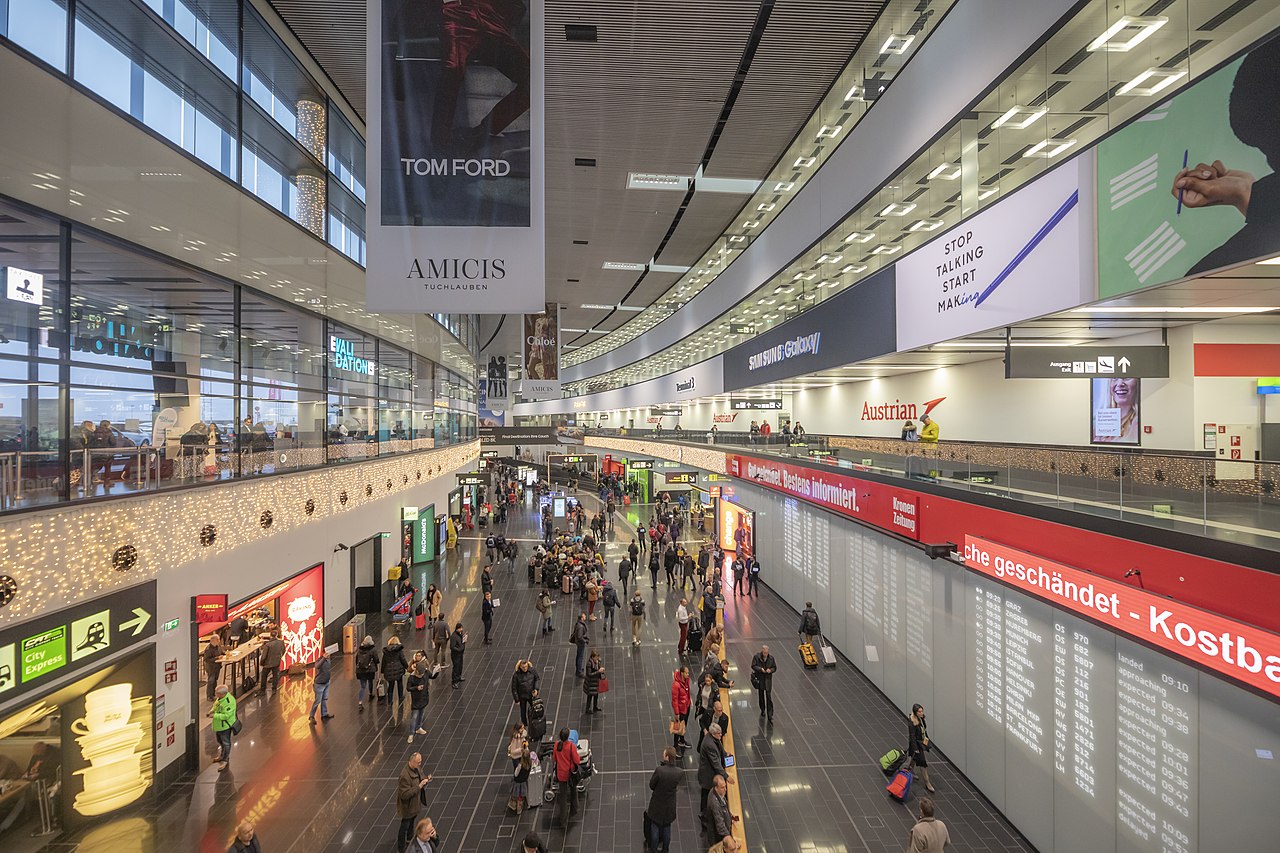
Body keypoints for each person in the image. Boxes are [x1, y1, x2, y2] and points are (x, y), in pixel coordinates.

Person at [647, 748, 682, 853]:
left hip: (657, 803)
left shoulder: (659, 770)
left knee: (655, 826)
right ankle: (665, 849)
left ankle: (654, 849)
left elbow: (652, 785)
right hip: (670, 805)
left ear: (667, 757)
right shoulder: (679, 772)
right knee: (667, 826)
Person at [396, 752, 433, 851]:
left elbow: (421, 775)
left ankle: (409, 839)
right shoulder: (404, 776)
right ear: (412, 762)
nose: (419, 764)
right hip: (408, 807)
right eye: (418, 762)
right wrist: (419, 786)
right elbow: (404, 795)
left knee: (411, 823)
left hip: (415, 804)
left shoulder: (416, 768)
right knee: (405, 826)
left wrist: (425, 780)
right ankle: (401, 847)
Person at [697, 722, 732, 817]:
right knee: (706, 795)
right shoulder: (710, 745)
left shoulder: (713, 738)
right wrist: (726, 776)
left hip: (709, 773)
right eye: (719, 733)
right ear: (713, 733)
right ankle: (704, 815)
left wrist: (725, 754)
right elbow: (716, 763)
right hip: (707, 775)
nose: (721, 735)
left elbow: (719, 747)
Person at [1094, 377, 1139, 443]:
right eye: (1114, 378)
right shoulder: (1099, 421)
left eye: (1127, 378)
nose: (1119, 384)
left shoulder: (1137, 423)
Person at [552, 727, 581, 826]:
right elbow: (577, 760)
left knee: (563, 797)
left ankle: (563, 820)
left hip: (561, 774)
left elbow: (554, 758)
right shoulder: (571, 746)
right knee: (573, 790)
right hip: (570, 773)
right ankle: (574, 809)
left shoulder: (556, 745)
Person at [705, 774, 739, 851]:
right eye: (722, 787)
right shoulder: (715, 804)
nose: (725, 789)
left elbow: (724, 806)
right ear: (716, 788)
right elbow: (720, 826)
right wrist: (732, 843)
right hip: (717, 837)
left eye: (725, 786)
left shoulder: (716, 792)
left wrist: (729, 816)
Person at [908, 703, 937, 793]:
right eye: (919, 711)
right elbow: (912, 736)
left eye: (922, 711)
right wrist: (915, 748)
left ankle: (910, 770)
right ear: (915, 712)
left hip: (920, 743)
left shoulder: (921, 718)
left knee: (914, 758)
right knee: (922, 764)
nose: (921, 713)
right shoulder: (912, 722)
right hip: (916, 745)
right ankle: (927, 782)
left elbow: (924, 730)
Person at [211, 685, 236, 772]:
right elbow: (216, 705)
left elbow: (227, 715)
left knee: (226, 743)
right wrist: (212, 710)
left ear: (223, 694)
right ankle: (222, 755)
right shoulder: (220, 698)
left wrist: (214, 715)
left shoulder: (229, 702)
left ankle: (225, 759)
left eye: (217, 693)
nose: (216, 695)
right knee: (220, 741)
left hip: (225, 725)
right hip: (219, 725)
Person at [407, 661, 432, 741]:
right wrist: (416, 688)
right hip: (416, 700)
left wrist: (437, 672)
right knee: (414, 717)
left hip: (424, 698)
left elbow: (432, 676)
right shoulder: (411, 677)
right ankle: (411, 733)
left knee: (421, 714)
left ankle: (418, 727)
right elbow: (408, 688)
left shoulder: (426, 672)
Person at [750, 644, 777, 722]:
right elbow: (753, 665)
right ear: (762, 651)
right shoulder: (756, 657)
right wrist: (760, 669)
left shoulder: (771, 658)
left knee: (769, 697)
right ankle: (762, 709)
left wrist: (770, 670)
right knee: (761, 696)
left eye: (767, 652)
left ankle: (770, 714)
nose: (766, 654)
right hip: (760, 679)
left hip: (768, 680)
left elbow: (774, 667)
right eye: (764, 652)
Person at [382, 635, 410, 705]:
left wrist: (382, 671)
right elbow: (403, 659)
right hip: (398, 669)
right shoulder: (399, 650)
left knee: (391, 685)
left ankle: (390, 700)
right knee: (400, 683)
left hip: (388, 670)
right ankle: (400, 696)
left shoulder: (386, 651)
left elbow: (383, 662)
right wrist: (407, 667)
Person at [308, 648, 333, 724]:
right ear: (323, 653)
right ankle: (311, 716)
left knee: (324, 699)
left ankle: (324, 714)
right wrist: (323, 658)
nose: (329, 655)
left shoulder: (328, 660)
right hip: (319, 684)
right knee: (317, 701)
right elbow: (317, 666)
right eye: (327, 654)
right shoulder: (319, 660)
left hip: (326, 682)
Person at [670, 665, 692, 750]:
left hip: (687, 706)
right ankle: (675, 746)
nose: (688, 674)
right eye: (686, 673)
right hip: (681, 709)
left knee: (684, 725)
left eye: (688, 672)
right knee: (678, 728)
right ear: (682, 673)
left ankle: (682, 741)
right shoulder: (676, 685)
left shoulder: (687, 681)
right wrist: (676, 713)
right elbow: (674, 700)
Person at [511, 659, 539, 724]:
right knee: (523, 711)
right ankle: (524, 724)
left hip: (531, 694)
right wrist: (516, 699)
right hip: (522, 696)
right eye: (523, 667)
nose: (525, 668)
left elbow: (537, 679)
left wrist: (536, 689)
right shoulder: (516, 675)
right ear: (520, 666)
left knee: (535, 708)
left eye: (526, 666)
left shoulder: (532, 671)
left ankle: (535, 720)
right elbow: (514, 688)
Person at [355, 635, 379, 710]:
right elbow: (376, 659)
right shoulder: (373, 649)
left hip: (360, 670)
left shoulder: (360, 649)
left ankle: (360, 702)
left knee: (362, 686)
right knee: (370, 681)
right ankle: (371, 694)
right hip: (370, 669)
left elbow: (356, 659)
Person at [258, 630, 284, 696]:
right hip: (276, 662)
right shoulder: (281, 642)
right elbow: (283, 650)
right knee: (275, 675)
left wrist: (262, 663)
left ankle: (263, 690)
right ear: (277, 635)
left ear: (270, 635)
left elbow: (264, 656)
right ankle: (274, 689)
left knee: (264, 676)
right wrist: (279, 657)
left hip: (268, 663)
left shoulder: (268, 645)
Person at [510, 748, 532, 814]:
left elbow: (516, 774)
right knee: (520, 796)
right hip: (523, 782)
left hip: (517, 782)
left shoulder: (520, 766)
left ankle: (513, 805)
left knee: (515, 795)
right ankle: (519, 808)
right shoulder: (529, 764)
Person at [583, 648, 605, 713]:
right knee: (590, 696)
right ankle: (587, 709)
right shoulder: (589, 664)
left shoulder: (597, 661)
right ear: (592, 657)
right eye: (596, 657)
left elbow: (598, 668)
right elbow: (589, 674)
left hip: (596, 682)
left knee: (596, 695)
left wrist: (600, 669)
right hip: (591, 683)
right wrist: (598, 671)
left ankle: (595, 707)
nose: (597, 658)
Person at [203, 633, 223, 701]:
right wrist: (217, 658)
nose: (219, 641)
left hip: (217, 666)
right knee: (211, 681)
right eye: (217, 640)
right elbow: (206, 659)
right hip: (211, 667)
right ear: (213, 641)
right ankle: (209, 696)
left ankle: (214, 694)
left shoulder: (217, 646)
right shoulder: (208, 649)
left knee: (215, 680)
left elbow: (221, 651)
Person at [571, 612, 590, 677]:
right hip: (580, 643)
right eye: (584, 616)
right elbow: (579, 636)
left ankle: (578, 669)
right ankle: (579, 671)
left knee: (579, 655)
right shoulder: (581, 626)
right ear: (582, 618)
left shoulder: (578, 623)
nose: (585, 616)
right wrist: (584, 641)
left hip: (578, 642)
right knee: (580, 657)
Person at [450, 622, 468, 688]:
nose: (462, 629)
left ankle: (459, 677)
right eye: (460, 628)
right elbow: (452, 647)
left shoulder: (460, 634)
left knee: (460, 666)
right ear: (457, 629)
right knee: (456, 667)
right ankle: (454, 681)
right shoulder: (453, 636)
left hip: (460, 654)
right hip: (455, 655)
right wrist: (459, 649)